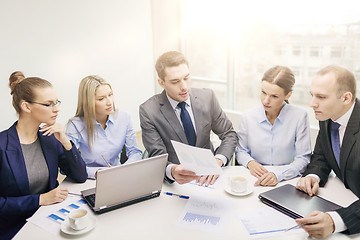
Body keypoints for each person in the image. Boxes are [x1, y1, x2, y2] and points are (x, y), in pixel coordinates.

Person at [0, 71, 87, 240]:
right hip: (15, 227)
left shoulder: (49, 138)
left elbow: (80, 176)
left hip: (50, 219)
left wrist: (65, 141)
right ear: (26, 106)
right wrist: (39, 200)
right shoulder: (2, 145)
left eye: (56, 103)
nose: (57, 109)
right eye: (49, 104)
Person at [139, 51, 237, 186]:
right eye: (175, 81)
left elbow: (229, 134)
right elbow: (157, 156)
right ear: (161, 82)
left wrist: (218, 160)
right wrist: (172, 171)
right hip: (175, 184)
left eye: (186, 78)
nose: (184, 87)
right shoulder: (148, 111)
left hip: (210, 178)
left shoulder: (207, 97)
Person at [296, 65, 360, 238]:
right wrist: (313, 176)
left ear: (346, 98)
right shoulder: (327, 116)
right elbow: (321, 156)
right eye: (312, 95)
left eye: (321, 97)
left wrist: (336, 221)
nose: (312, 104)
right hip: (342, 196)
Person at [236, 66, 311, 186]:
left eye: (274, 96)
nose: (266, 101)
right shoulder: (248, 116)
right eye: (263, 92)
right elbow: (240, 150)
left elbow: (303, 158)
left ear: (288, 95)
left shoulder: (300, 116)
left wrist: (279, 175)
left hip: (287, 180)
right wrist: (251, 163)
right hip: (253, 179)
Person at [66, 75, 142, 179]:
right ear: (88, 102)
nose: (109, 102)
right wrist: (97, 172)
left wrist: (124, 169)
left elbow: (135, 152)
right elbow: (69, 166)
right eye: (101, 99)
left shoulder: (124, 117)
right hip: (91, 180)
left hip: (120, 177)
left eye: (110, 95)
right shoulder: (75, 125)